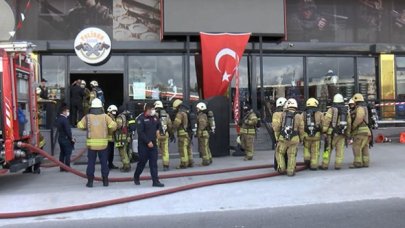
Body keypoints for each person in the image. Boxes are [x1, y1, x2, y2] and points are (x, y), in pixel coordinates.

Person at [77, 98, 117, 188]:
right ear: (101, 107)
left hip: (91, 146)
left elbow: (80, 126)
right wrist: (108, 130)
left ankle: (90, 182)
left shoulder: (87, 117)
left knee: (91, 163)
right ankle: (105, 181)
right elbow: (113, 126)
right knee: (104, 163)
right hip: (103, 145)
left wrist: (86, 128)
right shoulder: (105, 116)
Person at [133, 103, 164, 187]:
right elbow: (140, 132)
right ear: (147, 110)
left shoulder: (154, 117)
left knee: (153, 163)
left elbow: (159, 125)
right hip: (143, 145)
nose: (153, 110)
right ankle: (136, 176)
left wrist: (158, 130)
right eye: (152, 109)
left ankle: (155, 181)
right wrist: (147, 142)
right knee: (142, 162)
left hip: (153, 144)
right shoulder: (140, 119)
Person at [274, 98, 304, 176]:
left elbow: (277, 127)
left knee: (279, 152)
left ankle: (281, 168)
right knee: (292, 155)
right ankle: (290, 171)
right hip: (294, 139)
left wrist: (277, 137)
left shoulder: (283, 114)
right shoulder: (299, 116)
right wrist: (301, 139)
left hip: (283, 138)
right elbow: (301, 129)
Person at [321, 94, 351, 170]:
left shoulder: (331, 109)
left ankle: (325, 165)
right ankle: (338, 165)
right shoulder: (346, 110)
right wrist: (347, 133)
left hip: (331, 134)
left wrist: (324, 131)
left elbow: (327, 120)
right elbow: (349, 122)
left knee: (327, 149)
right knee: (340, 150)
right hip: (342, 133)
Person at [350, 93, 371, 168]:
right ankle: (366, 162)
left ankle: (358, 163)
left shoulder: (360, 108)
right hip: (366, 131)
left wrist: (353, 126)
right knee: (365, 147)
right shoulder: (364, 107)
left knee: (356, 147)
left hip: (360, 132)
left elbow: (359, 118)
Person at [302, 98, 323, 170]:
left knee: (306, 148)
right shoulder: (320, 113)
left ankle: (307, 158)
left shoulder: (303, 114)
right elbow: (323, 123)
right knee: (315, 151)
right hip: (316, 135)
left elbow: (300, 124)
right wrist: (323, 132)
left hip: (306, 135)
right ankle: (314, 165)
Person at [172, 99, 194, 168]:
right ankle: (190, 162)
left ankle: (184, 163)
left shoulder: (180, 114)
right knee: (189, 148)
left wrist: (171, 131)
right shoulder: (187, 112)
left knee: (182, 149)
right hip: (189, 134)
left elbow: (176, 124)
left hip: (182, 135)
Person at [154, 100, 173, 171]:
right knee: (165, 151)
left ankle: (153, 165)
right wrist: (171, 133)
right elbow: (170, 125)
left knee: (154, 151)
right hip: (165, 134)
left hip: (156, 135)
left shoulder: (153, 115)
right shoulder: (166, 115)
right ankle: (166, 165)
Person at [56, 105, 75, 172]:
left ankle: (61, 167)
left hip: (60, 138)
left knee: (62, 153)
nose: (68, 112)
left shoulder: (59, 119)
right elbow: (68, 131)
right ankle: (67, 167)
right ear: (64, 112)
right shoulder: (65, 120)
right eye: (67, 111)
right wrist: (71, 138)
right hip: (66, 139)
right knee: (67, 153)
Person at [196, 102, 213, 166]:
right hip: (206, 133)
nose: (197, 110)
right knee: (206, 147)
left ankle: (205, 161)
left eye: (198, 108)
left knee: (203, 148)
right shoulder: (204, 115)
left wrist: (199, 132)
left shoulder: (202, 115)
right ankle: (209, 159)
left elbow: (202, 125)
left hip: (203, 133)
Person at [106, 105, 119, 169]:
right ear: (110, 111)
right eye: (113, 111)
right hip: (108, 139)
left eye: (115, 111)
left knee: (111, 153)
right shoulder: (107, 117)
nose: (115, 112)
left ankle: (110, 164)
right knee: (108, 153)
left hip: (112, 139)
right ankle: (107, 165)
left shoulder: (112, 117)